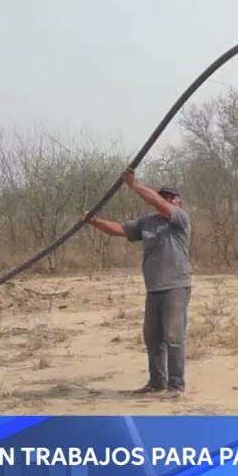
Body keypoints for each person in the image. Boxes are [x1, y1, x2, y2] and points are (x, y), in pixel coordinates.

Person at [85, 169, 193, 399]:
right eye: (163, 196)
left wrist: (134, 185)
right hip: (153, 288)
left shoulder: (180, 219)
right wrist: (94, 221)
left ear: (178, 201)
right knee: (153, 338)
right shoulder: (148, 222)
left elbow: (155, 200)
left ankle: (176, 386)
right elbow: (120, 230)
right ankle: (156, 383)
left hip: (176, 286)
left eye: (170, 197)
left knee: (174, 337)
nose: (165, 199)